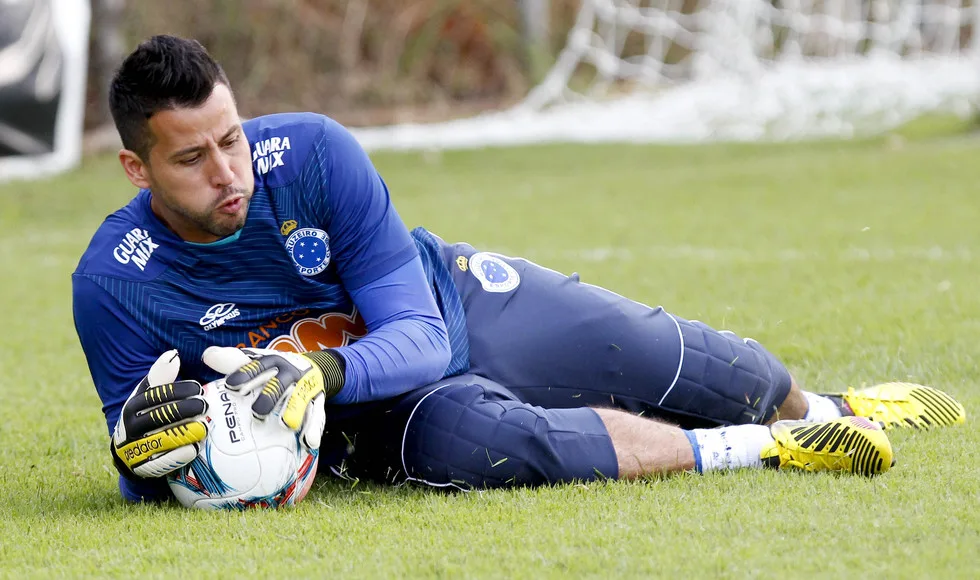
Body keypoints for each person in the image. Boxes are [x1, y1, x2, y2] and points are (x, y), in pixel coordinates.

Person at [72, 35, 966, 503]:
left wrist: (322, 370)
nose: (230, 174)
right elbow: (137, 450)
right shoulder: (115, 284)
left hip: (447, 304)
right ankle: (771, 449)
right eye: (193, 159)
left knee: (658, 353)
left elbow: (418, 333)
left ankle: (827, 407)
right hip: (377, 415)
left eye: (232, 138)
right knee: (505, 446)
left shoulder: (311, 153)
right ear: (136, 168)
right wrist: (145, 455)